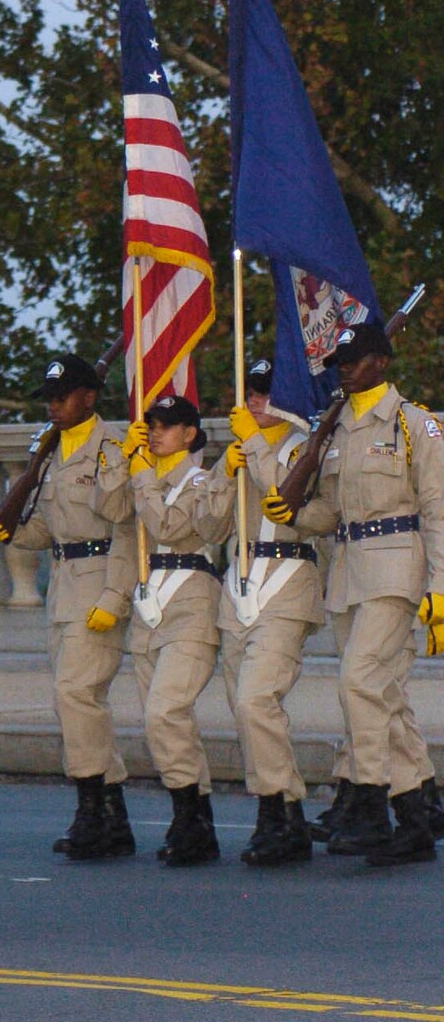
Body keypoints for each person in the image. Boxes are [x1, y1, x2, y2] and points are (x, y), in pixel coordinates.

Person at [270, 322, 444, 866]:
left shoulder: (415, 426)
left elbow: (438, 510)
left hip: (397, 566)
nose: (343, 366)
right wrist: (294, 517)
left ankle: (370, 802)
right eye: (339, 359)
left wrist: (441, 586)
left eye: (354, 357)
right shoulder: (337, 427)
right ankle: (415, 820)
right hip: (349, 571)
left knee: (359, 680)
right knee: (382, 696)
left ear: (382, 363)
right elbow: (331, 510)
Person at [0, 354, 138, 861]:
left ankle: (91, 809)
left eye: (62, 395)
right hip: (64, 585)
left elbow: (128, 525)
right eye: (48, 396)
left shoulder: (114, 446)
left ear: (89, 398)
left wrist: (116, 596)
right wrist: (13, 532)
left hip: (100, 580)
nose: (52, 404)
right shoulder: (47, 451)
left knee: (76, 693)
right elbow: (50, 528)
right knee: (76, 702)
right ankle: (112, 815)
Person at [193, 359, 322, 864]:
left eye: (265, 394)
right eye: (250, 394)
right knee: (244, 709)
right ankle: (283, 811)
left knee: (255, 699)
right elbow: (208, 528)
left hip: (288, 581)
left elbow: (285, 496)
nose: (254, 403)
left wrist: (254, 445)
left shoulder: (306, 445)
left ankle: (276, 809)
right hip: (240, 584)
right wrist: (223, 472)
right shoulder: (243, 449)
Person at [99, 394, 222, 865]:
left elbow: (169, 526)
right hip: (150, 608)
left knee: (165, 712)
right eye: (151, 425)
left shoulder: (200, 480)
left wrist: (143, 475)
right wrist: (124, 465)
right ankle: (194, 818)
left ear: (190, 434)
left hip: (190, 603)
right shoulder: (142, 474)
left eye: (166, 427)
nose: (155, 433)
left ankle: (189, 816)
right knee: (166, 720)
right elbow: (111, 512)